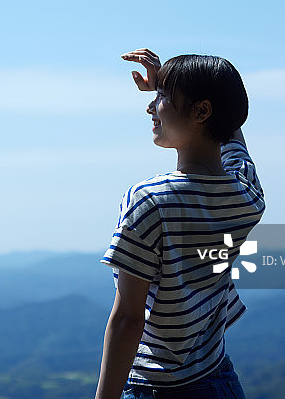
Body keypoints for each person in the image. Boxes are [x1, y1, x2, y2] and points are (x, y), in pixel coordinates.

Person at [95, 49, 264, 399]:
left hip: (156, 389)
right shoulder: (246, 194)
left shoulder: (151, 201)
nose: (149, 107)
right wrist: (175, 89)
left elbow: (128, 319)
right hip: (218, 381)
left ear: (202, 111)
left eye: (161, 99)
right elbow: (232, 138)